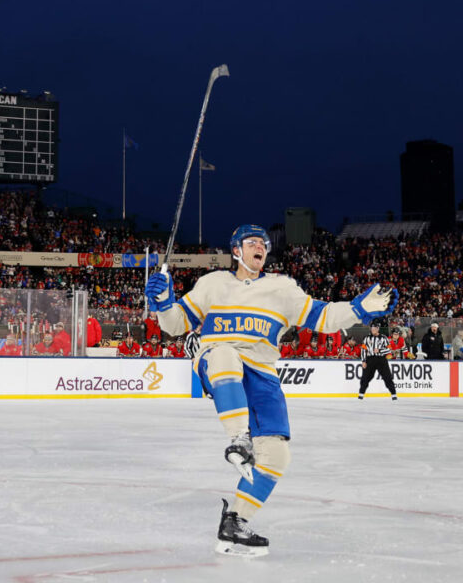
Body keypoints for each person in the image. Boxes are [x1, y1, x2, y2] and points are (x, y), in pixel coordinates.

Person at [145, 224, 398, 556]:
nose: (260, 247)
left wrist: (357, 309)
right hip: (220, 358)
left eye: (263, 243)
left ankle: (234, 522)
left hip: (263, 372)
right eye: (252, 243)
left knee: (277, 455)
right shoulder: (212, 284)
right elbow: (175, 325)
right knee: (224, 355)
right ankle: (239, 438)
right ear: (236, 250)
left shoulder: (282, 288)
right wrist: (163, 302)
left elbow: (321, 316)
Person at [358, 319, 398, 400]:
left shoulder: (384, 338)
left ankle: (393, 394)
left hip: (381, 359)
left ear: (378, 329)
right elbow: (363, 350)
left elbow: (389, 349)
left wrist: (380, 350)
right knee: (365, 377)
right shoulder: (366, 338)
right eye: (372, 328)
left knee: (387, 377)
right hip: (370, 359)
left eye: (375, 328)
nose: (373, 330)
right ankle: (361, 394)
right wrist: (363, 361)